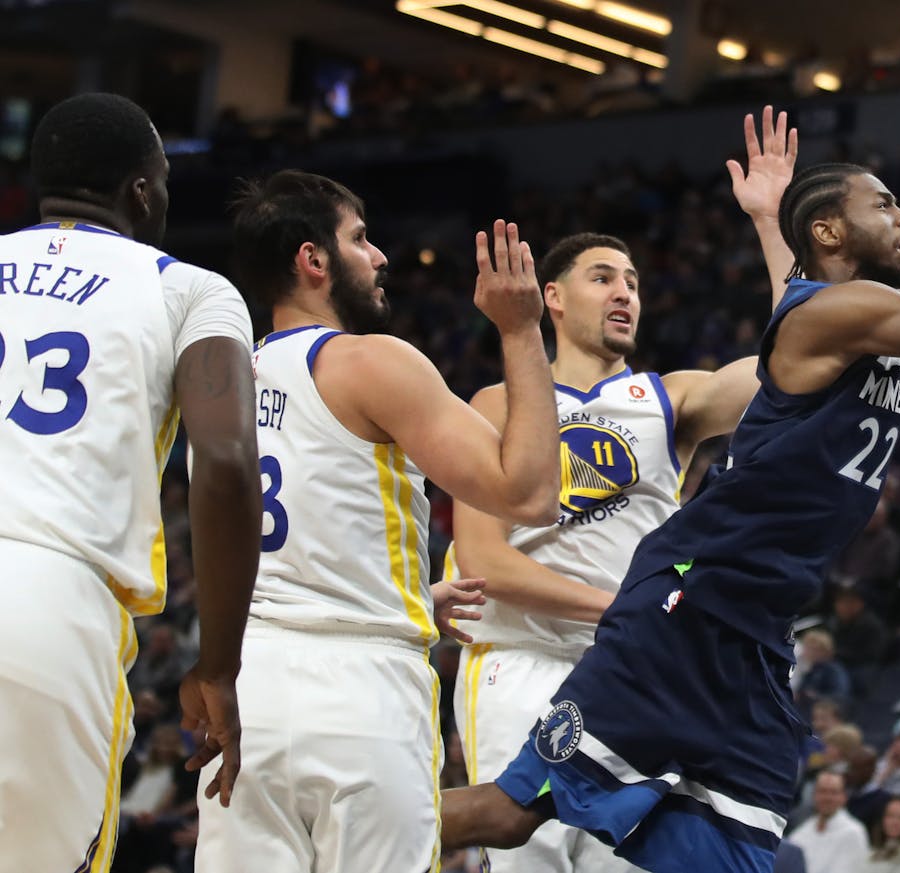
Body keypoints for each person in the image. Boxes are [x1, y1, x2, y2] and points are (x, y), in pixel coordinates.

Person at [440, 82, 900, 872]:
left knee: (737, 860)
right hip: (688, 603)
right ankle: (329, 833)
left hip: (756, 633)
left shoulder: (881, 311)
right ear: (828, 229)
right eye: (884, 202)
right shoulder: (827, 314)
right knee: (516, 814)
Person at [441, 108, 800, 871]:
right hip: (520, 658)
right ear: (553, 299)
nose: (624, 292)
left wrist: (771, 223)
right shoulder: (497, 405)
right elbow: (484, 565)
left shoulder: (669, 400)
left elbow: (799, 356)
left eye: (633, 281)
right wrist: (626, 609)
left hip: (631, 670)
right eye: (602, 276)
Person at [193, 172, 561, 873]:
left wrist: (409, 597)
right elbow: (530, 492)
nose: (382, 256)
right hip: (361, 692)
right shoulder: (369, 361)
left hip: (248, 687)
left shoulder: (219, 377)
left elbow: (288, 536)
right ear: (314, 260)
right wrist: (520, 330)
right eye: (360, 239)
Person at [0, 93, 259, 871]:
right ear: (141, 191)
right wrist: (217, 664)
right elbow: (223, 462)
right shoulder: (191, 290)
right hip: (49, 602)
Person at [785, 771, 871, 873]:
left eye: (833, 792)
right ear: (814, 795)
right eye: (822, 791)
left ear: (844, 797)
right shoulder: (801, 832)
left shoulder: (854, 833)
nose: (827, 798)